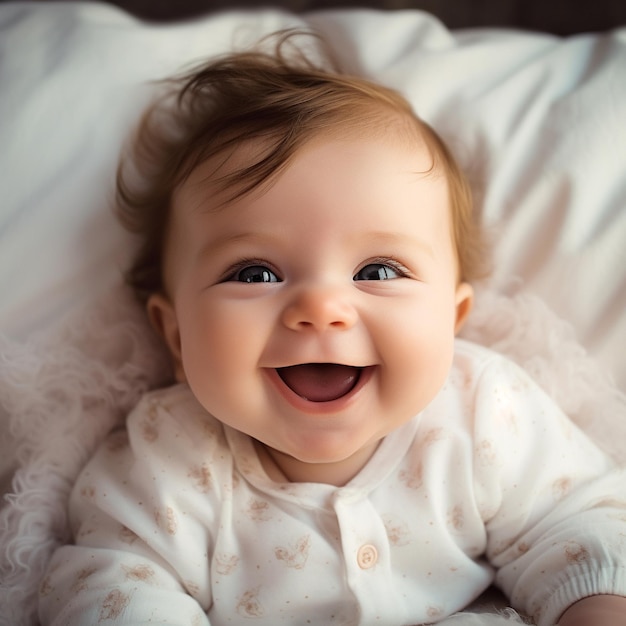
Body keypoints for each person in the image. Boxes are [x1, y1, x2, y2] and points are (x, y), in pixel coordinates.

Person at [39, 31, 626, 626]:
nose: (320, 308)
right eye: (255, 273)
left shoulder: (483, 414)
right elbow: (112, 583)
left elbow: (580, 524)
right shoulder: (165, 460)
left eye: (377, 270)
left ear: (452, 321)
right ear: (177, 337)